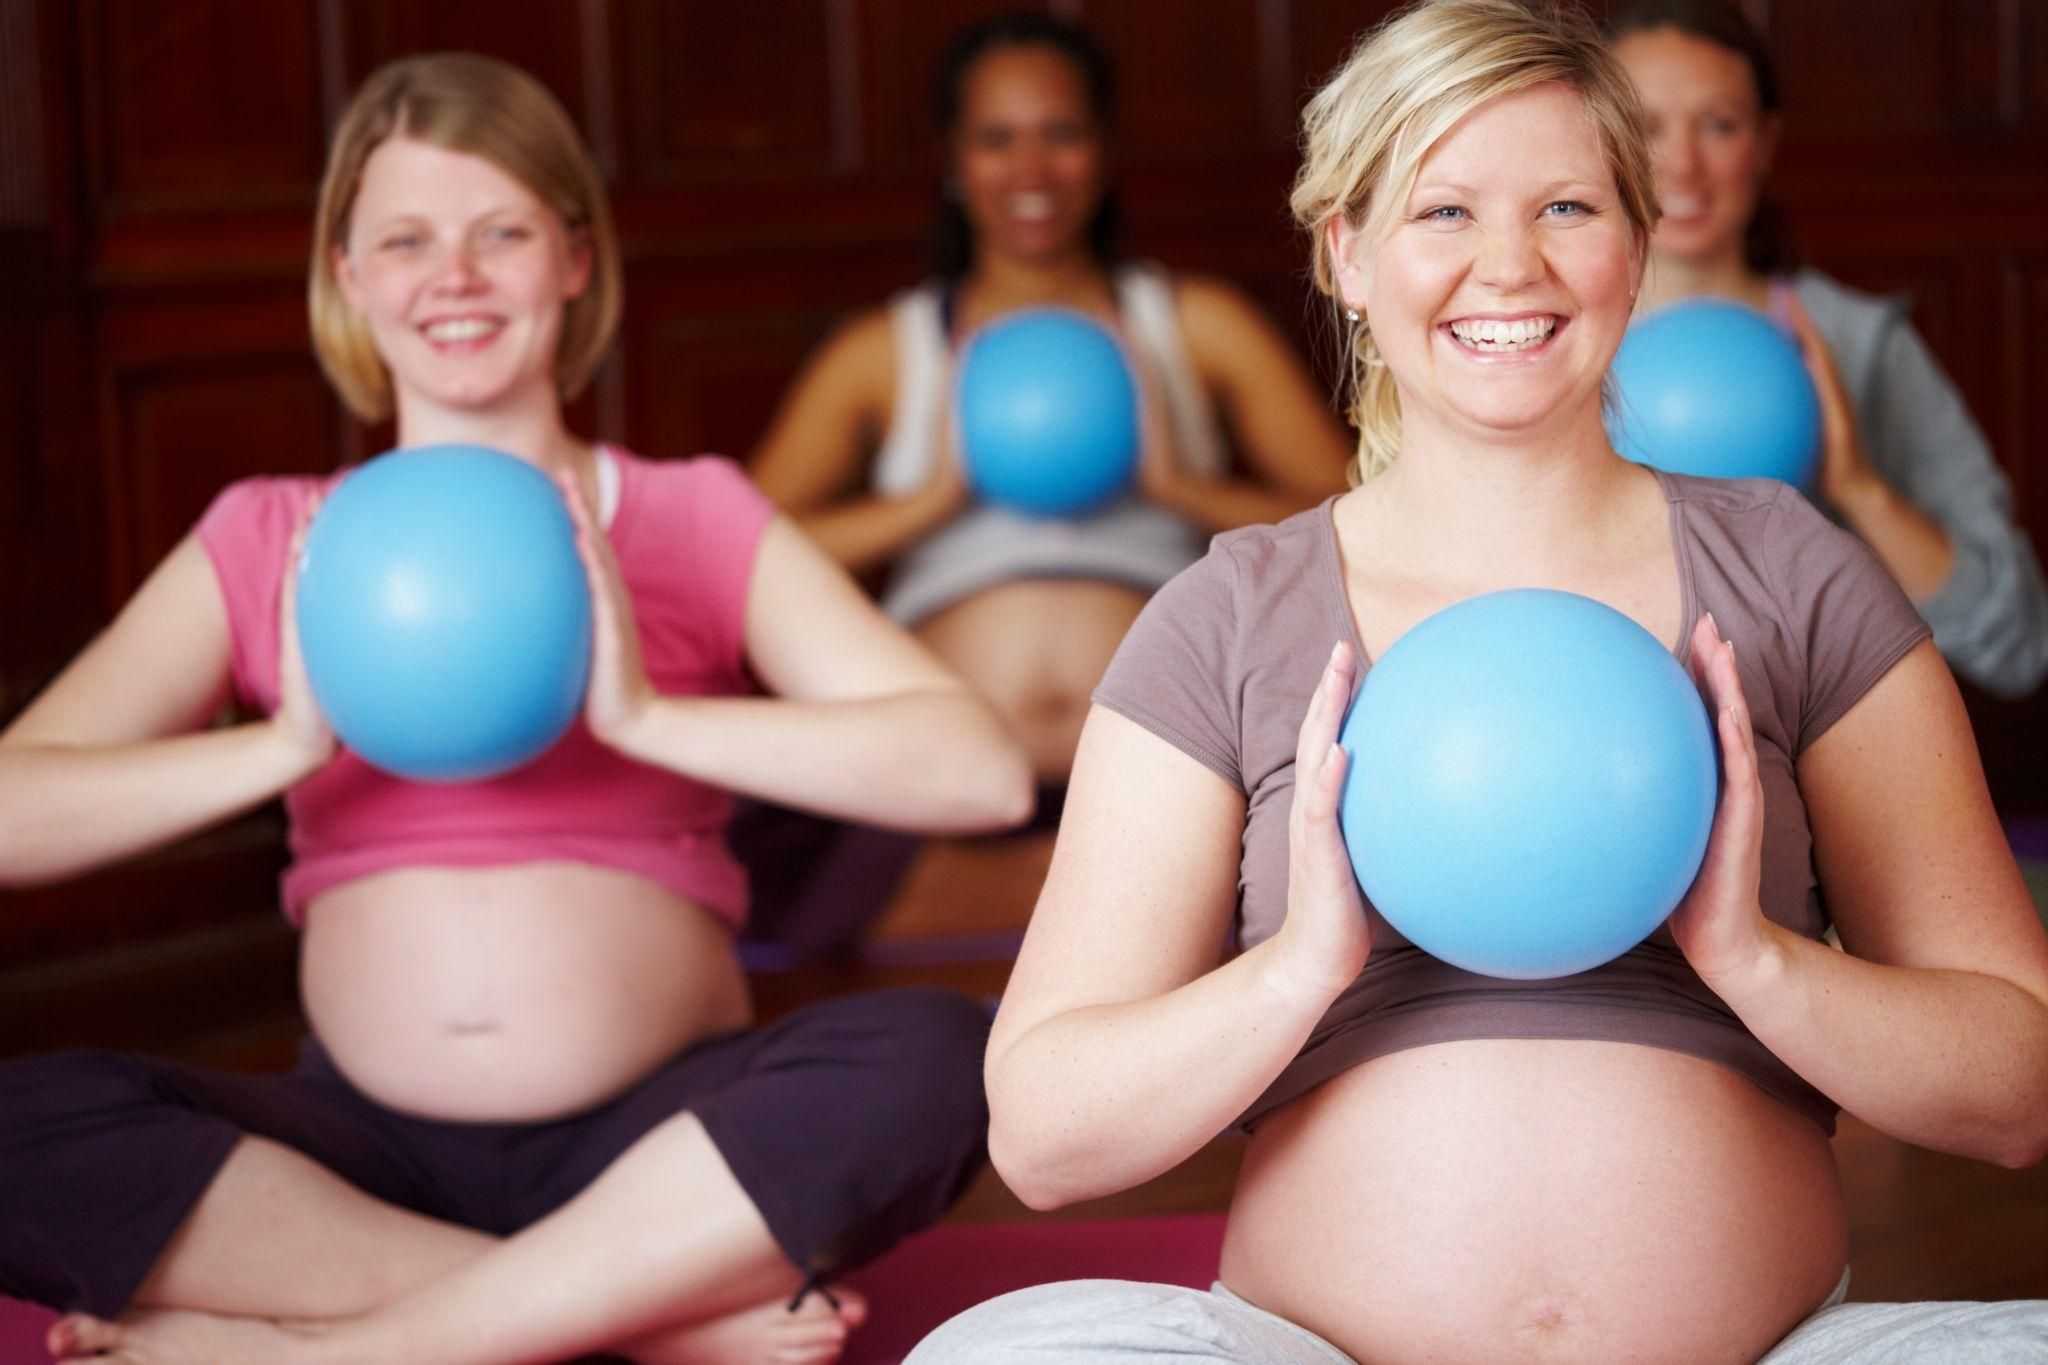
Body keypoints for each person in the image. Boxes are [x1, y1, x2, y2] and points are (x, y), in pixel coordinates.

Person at [907, 2, 2048, 1361]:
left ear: (1637, 241)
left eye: (1567, 204)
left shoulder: (1792, 573)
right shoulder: (1226, 615)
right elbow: (1042, 1134)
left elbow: (2021, 1080)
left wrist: (1755, 959)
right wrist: (1299, 970)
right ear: (1345, 251)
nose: (1509, 266)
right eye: (1442, 211)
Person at [0, 53, 1033, 1365]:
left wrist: (649, 716)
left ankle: (338, 1350)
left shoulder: (690, 513)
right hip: (358, 1162)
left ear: (576, 260)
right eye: (407, 240)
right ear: (348, 277)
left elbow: (981, 774)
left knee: (948, 1055)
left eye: (502, 234)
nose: (457, 277)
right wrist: (284, 746)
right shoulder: (271, 537)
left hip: (662, 1145)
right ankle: (633, 1317)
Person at [750, 11, 1353, 789]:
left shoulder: (1198, 326)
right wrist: (928, 503)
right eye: (997, 138)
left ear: (1103, 152)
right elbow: (748, 547)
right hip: (949, 782)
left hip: (1167, 771)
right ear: (955, 160)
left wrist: (1178, 489)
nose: (1030, 167)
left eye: (1061, 132)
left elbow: (1351, 514)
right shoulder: (882, 353)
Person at [1608, 0, 2048, 699]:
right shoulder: (1539, 339)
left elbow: (2020, 639)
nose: (1683, 165)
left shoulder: (1861, 344)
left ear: (1764, 141)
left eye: (1719, 124)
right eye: (1645, 126)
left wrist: (1859, 488)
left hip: (1819, 760)